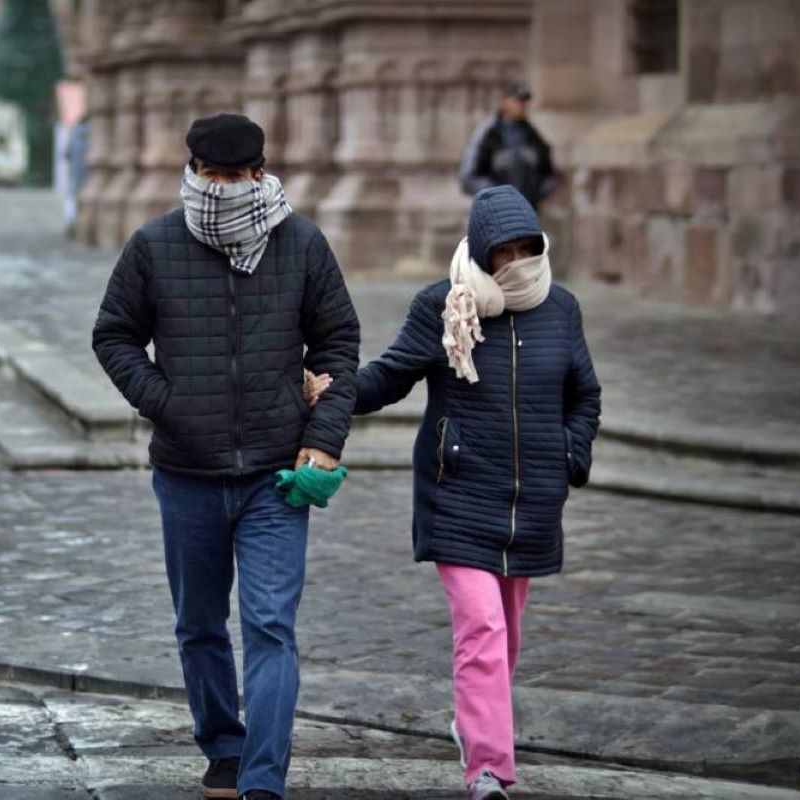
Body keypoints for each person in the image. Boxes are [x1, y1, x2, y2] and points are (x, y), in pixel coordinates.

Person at [92, 113, 360, 800]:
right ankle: (224, 747)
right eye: (210, 176)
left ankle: (263, 781)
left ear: (260, 174)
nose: (223, 190)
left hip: (276, 475)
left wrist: (324, 439)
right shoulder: (154, 244)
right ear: (192, 172)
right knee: (200, 626)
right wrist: (167, 400)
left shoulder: (301, 243)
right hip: (186, 472)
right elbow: (114, 335)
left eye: (235, 177)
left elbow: (337, 348)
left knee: (271, 625)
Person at [306, 185, 600, 800]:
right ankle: (488, 768)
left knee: (506, 635)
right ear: (483, 251)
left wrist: (570, 453)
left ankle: (473, 723)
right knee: (483, 630)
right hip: (459, 493)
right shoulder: (445, 305)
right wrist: (333, 392)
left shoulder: (560, 308)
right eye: (506, 250)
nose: (518, 260)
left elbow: (584, 394)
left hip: (532, 502)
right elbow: (392, 376)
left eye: (529, 247)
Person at [458, 81, 558, 209]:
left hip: (527, 212)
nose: (521, 105)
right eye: (517, 100)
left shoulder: (533, 137)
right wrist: (495, 196)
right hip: (496, 214)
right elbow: (468, 177)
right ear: (504, 102)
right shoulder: (487, 134)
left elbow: (549, 174)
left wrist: (536, 194)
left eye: (524, 101)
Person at [62, 115, 90, 237]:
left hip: (75, 171)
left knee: (72, 198)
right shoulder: (95, 133)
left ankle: (71, 222)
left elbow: (66, 154)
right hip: (91, 173)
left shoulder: (74, 132)